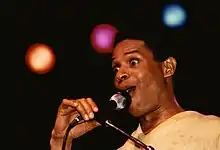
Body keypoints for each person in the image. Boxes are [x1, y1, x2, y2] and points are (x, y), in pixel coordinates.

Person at [50, 32, 220, 150]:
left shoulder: (212, 131)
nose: (120, 75)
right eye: (116, 68)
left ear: (167, 67)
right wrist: (60, 140)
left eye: (133, 62)